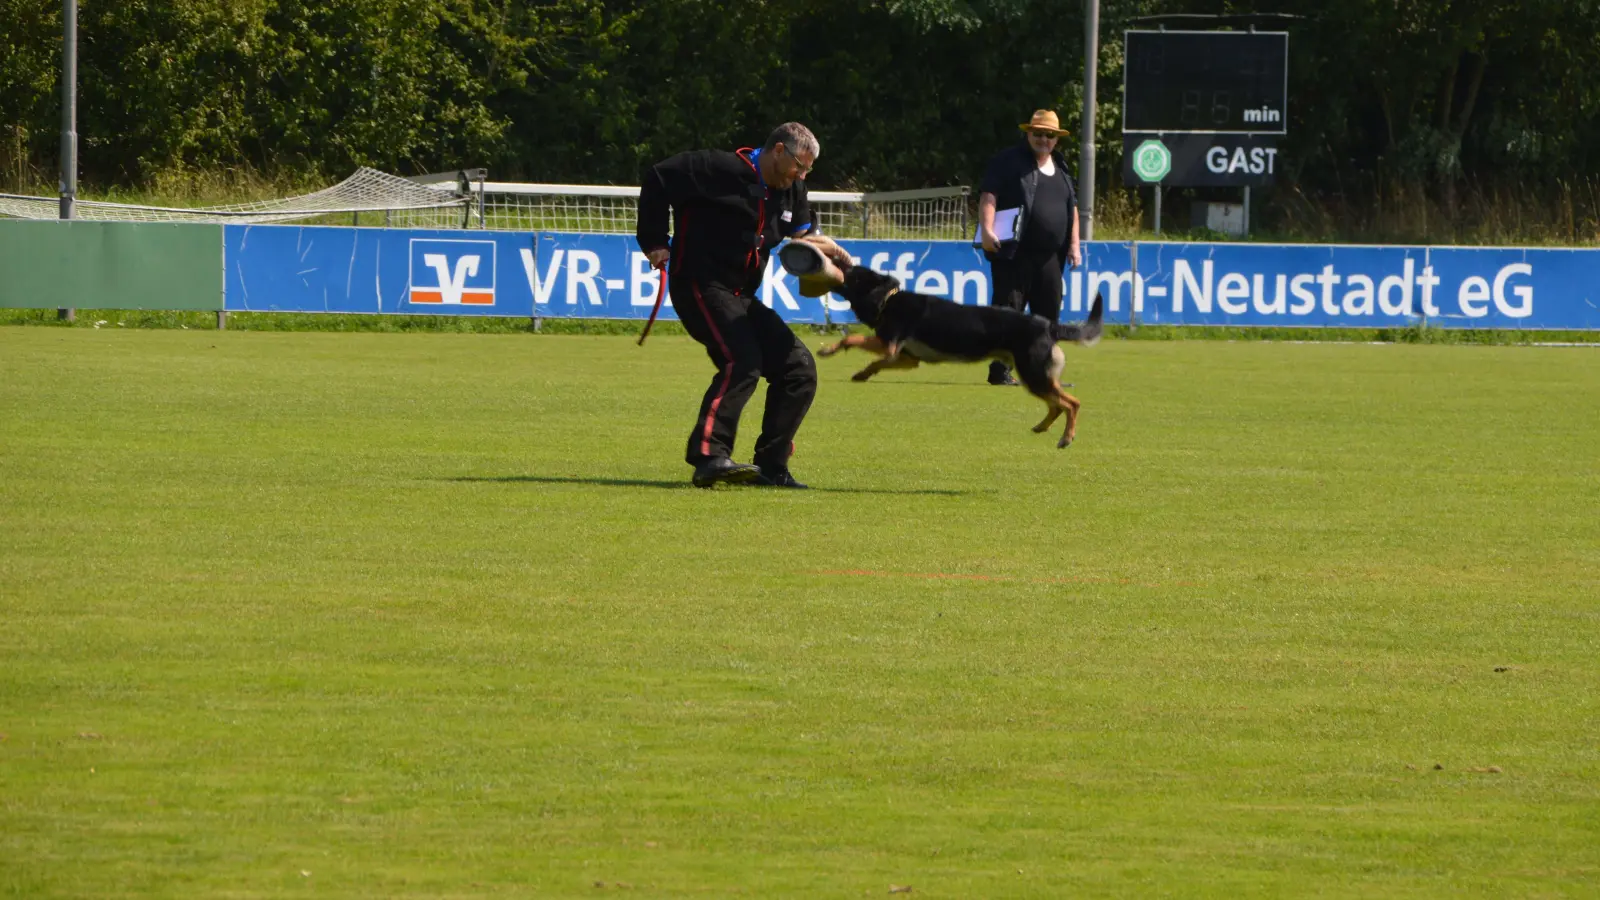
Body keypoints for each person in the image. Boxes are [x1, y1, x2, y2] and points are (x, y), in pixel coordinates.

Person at [636, 123, 821, 488]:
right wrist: (654, 239)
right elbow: (658, 177)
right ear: (779, 150)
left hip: (741, 296)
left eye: (808, 170)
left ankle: (772, 464)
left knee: (799, 369)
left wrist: (825, 262)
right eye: (799, 165)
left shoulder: (791, 189)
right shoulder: (714, 168)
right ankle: (709, 457)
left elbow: (803, 236)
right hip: (699, 284)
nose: (802, 176)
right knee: (743, 359)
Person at [976, 109, 1082, 386]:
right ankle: (1000, 372)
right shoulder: (1008, 161)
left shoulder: (1061, 167)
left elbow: (1072, 208)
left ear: (1057, 139)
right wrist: (987, 230)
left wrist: (1074, 244)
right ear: (1028, 133)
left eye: (1049, 135)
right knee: (1008, 313)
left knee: (1048, 317)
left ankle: (1044, 373)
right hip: (1014, 253)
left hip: (1050, 258)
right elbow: (989, 196)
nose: (1043, 139)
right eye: (1038, 133)